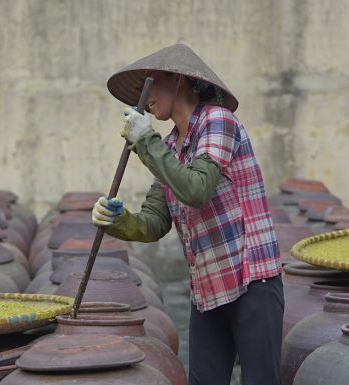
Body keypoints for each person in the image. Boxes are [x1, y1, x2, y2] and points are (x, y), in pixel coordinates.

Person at [94, 43, 284, 385]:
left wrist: (145, 142)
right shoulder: (168, 147)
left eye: (148, 85)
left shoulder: (218, 121)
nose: (143, 98)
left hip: (252, 281)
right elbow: (154, 223)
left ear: (177, 78)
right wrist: (117, 222)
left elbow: (196, 190)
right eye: (138, 91)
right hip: (208, 289)